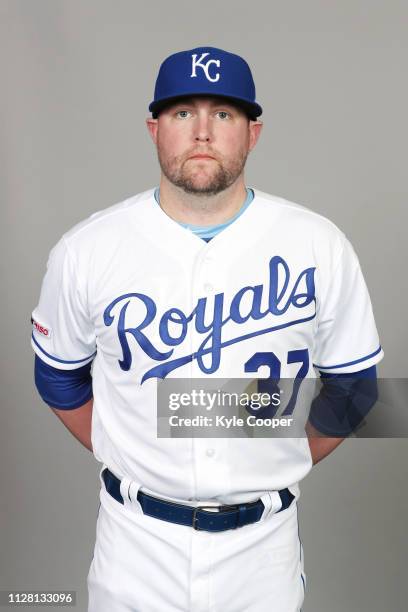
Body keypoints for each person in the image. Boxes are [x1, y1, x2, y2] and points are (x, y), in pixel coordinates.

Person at [31, 46, 383, 611]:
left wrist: (276, 451)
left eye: (222, 114)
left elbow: (356, 387)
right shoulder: (87, 249)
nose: (202, 132)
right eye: (181, 113)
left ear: (253, 133)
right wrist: (127, 447)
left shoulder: (319, 245)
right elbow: (58, 380)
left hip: (263, 552)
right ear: (153, 129)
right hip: (135, 547)